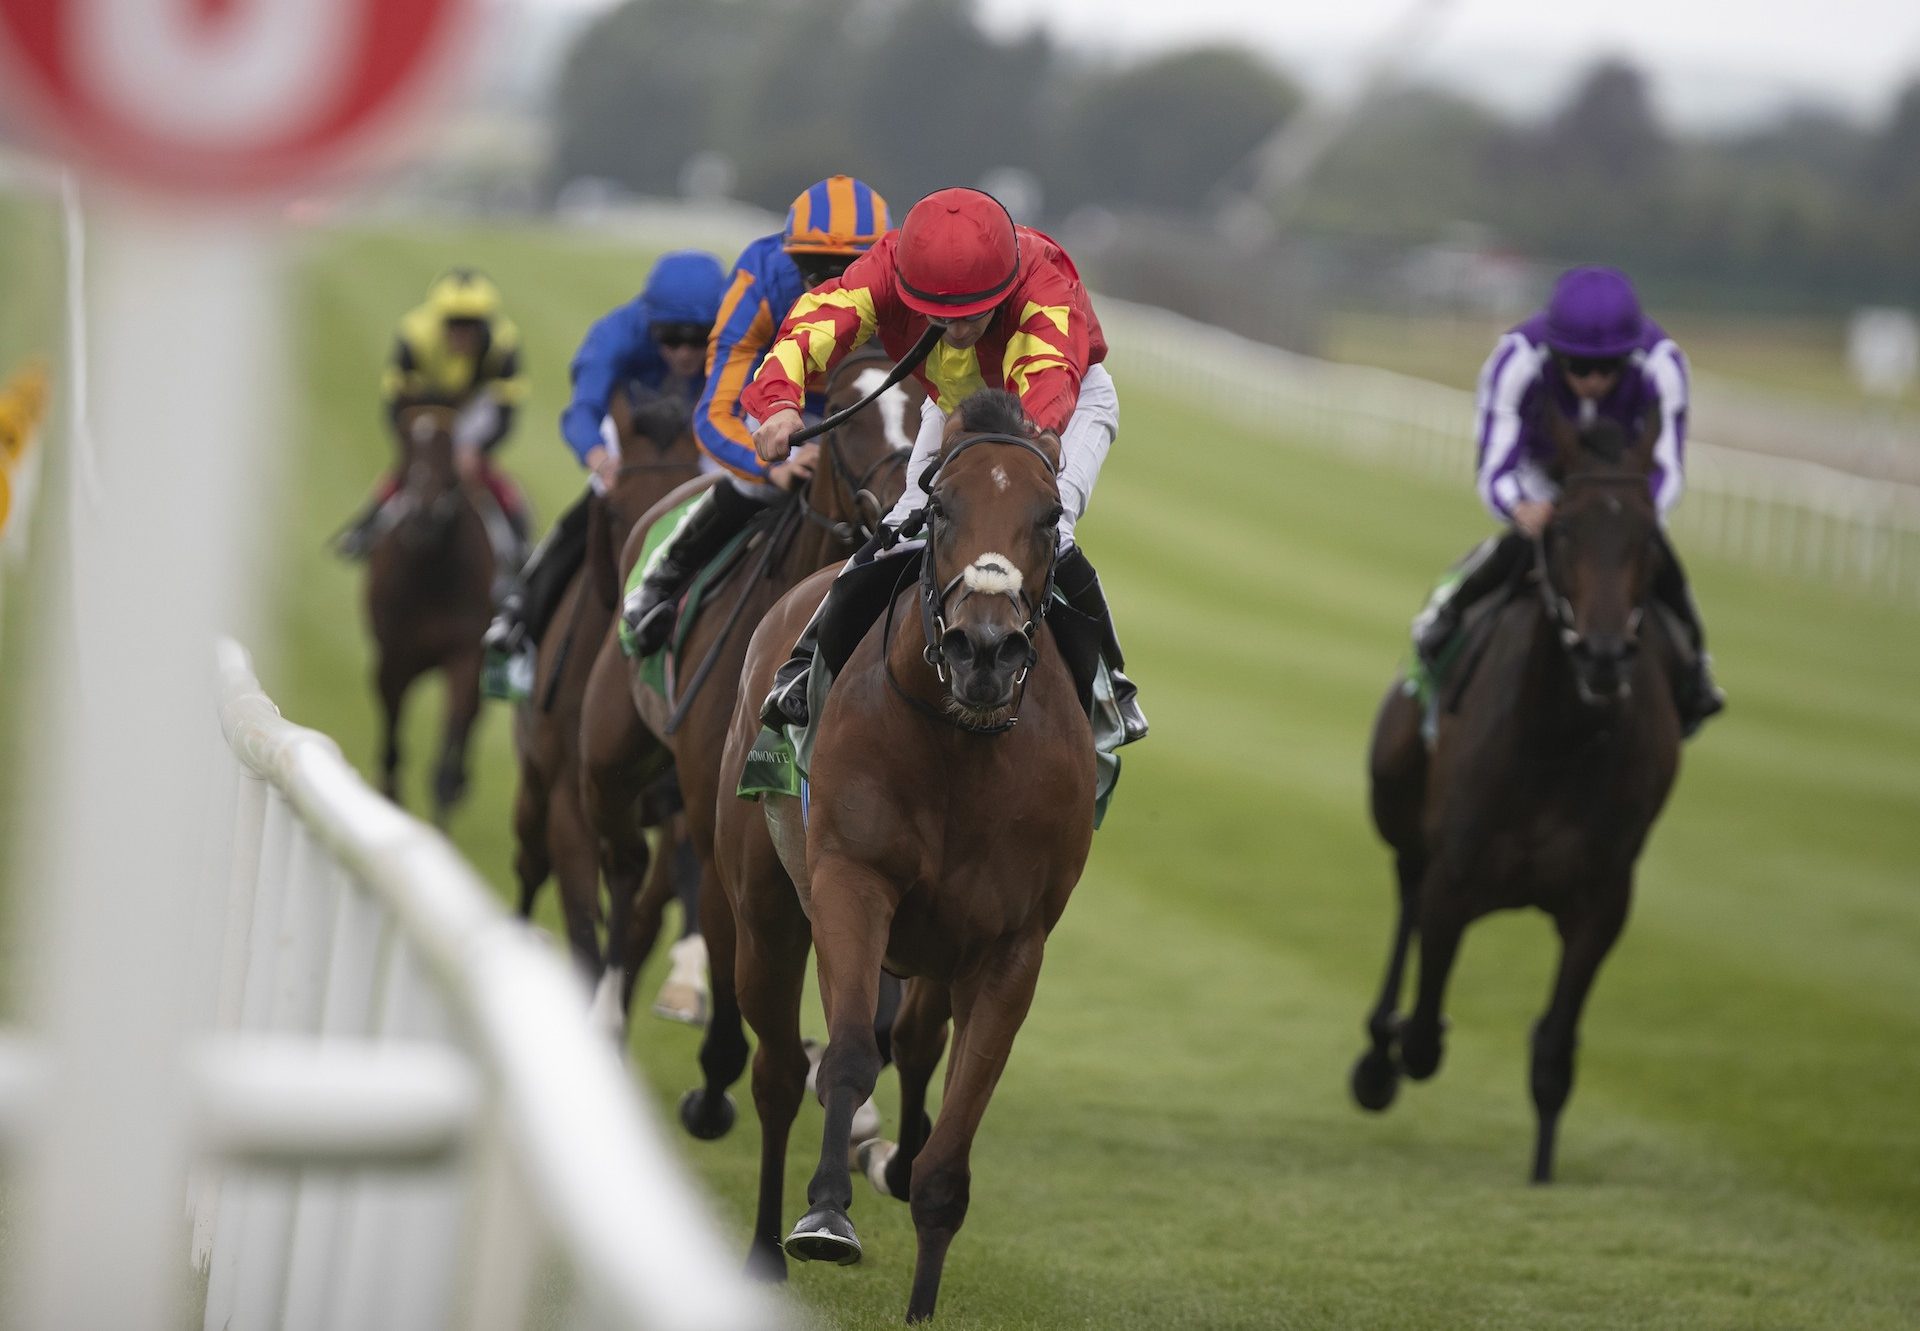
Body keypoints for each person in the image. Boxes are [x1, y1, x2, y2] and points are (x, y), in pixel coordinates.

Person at [740, 185, 1147, 742]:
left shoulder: (1044, 277)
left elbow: (1049, 372)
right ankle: (809, 661)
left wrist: (1032, 445)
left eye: (971, 315)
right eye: (939, 316)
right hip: (958, 404)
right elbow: (818, 321)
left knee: (1047, 530)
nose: (955, 330)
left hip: (1058, 410)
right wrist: (779, 402)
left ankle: (1109, 688)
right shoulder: (886, 267)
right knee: (900, 527)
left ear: (1003, 286)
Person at [1411, 264, 1725, 736]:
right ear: (1556, 353)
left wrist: (1633, 518)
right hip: (1542, 477)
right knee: (1517, 548)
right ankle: (1444, 620)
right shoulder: (1516, 361)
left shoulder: (1663, 366)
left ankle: (1697, 665)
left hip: (1622, 488)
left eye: (1609, 367)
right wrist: (1519, 506)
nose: (1594, 380)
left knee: (1662, 568)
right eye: (1578, 366)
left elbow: (1668, 470)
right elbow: (1495, 465)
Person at [621, 176, 891, 654]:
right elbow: (715, 415)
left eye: (852, 269)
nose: (831, 286)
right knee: (753, 482)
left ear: (883, 260)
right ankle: (663, 578)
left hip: (865, 404)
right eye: (814, 270)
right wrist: (770, 468)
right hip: (782, 402)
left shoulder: (905, 285)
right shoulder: (760, 280)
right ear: (790, 259)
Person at [480, 248, 728, 670]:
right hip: (631, 432)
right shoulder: (616, 334)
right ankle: (522, 608)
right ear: (649, 323)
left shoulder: (735, 331)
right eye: (671, 338)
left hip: (703, 425)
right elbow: (582, 411)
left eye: (698, 338)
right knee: (599, 492)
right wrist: (598, 458)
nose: (685, 353)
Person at [335, 269, 531, 560]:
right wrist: (414, 449)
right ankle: (367, 524)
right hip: (425, 403)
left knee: (481, 470)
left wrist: (477, 449)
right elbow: (396, 403)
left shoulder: (503, 343)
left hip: (474, 405)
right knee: (416, 469)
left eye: (471, 324)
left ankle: (519, 538)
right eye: (454, 323)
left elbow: (505, 410)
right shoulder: (414, 335)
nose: (462, 333)